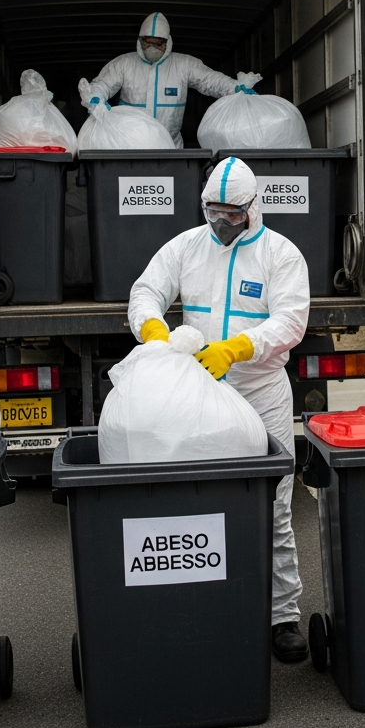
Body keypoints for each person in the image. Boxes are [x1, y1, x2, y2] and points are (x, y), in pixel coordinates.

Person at [128, 156, 311, 661]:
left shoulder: (281, 255)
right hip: (197, 394)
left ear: (254, 208)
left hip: (260, 392)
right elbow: (146, 290)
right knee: (195, 500)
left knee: (272, 508)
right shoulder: (186, 246)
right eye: (213, 211)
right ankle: (201, 600)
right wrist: (151, 327)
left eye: (232, 214)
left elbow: (291, 320)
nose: (221, 223)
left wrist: (237, 347)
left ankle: (282, 616)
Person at [81, 12, 257, 147]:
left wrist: (235, 87)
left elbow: (210, 80)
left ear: (168, 42)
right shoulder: (123, 64)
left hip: (170, 146)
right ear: (140, 41)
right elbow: (103, 84)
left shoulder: (184, 64)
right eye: (147, 43)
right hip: (128, 144)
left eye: (158, 43)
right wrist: (95, 98)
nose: (152, 48)